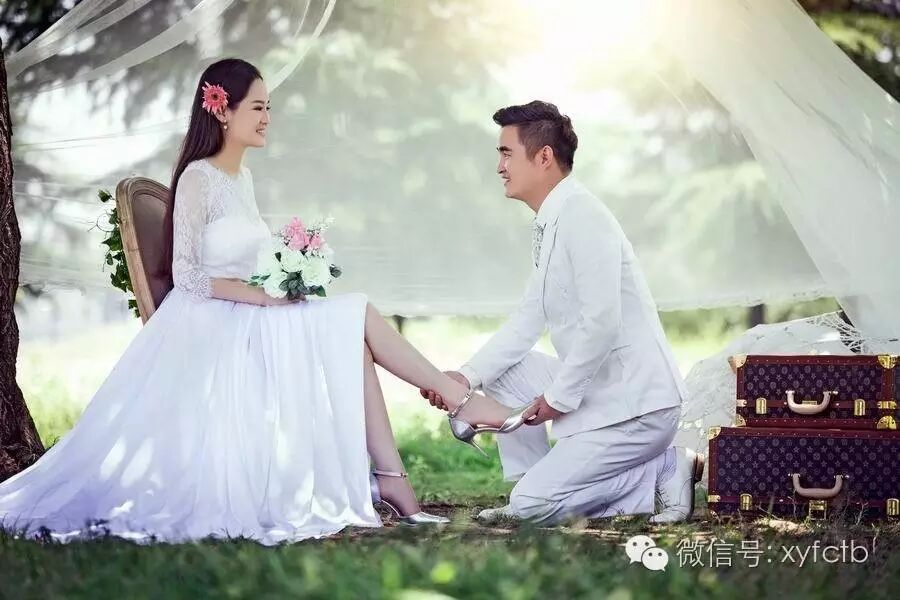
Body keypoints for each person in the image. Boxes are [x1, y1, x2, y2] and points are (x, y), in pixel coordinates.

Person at [0, 58, 529, 544]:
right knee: (357, 313)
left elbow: (249, 261)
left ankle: (396, 479)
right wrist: (264, 299)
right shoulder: (199, 178)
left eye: (268, 107)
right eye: (257, 107)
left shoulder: (242, 178)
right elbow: (187, 275)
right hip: (217, 320)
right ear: (221, 110)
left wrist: (290, 277)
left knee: (354, 334)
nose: (266, 118)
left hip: (251, 310)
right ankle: (457, 403)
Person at [422, 101, 703, 525]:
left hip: (637, 408)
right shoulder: (553, 220)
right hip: (602, 391)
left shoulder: (584, 216)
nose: (499, 167)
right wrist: (465, 377)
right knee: (504, 372)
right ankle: (536, 483)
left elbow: (602, 324)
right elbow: (527, 319)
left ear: (544, 157)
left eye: (506, 153)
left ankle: (661, 468)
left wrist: (556, 400)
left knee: (532, 509)